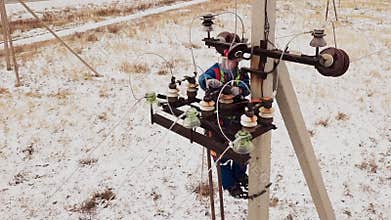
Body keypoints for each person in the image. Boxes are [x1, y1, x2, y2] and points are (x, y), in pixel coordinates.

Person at [198, 33, 251, 198]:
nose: (233, 63)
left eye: (236, 60)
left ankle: (241, 175)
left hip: (236, 119)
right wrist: (209, 83)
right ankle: (230, 184)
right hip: (217, 120)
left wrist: (240, 89)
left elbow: (248, 86)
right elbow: (202, 79)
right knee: (220, 155)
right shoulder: (215, 70)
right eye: (231, 60)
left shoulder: (240, 72)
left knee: (240, 151)